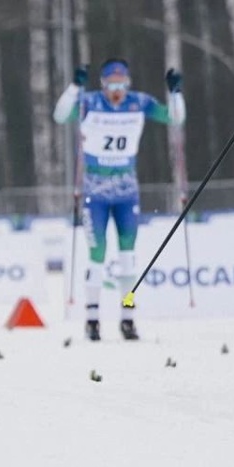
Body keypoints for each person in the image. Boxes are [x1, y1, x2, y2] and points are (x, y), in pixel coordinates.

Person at [53, 58, 186, 341]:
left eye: (122, 84)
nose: (117, 90)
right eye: (112, 84)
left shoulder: (139, 102)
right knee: (97, 255)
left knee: (127, 257)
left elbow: (175, 118)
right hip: (95, 191)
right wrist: (74, 87)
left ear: (129, 83)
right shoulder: (90, 102)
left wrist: (175, 93)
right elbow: (60, 115)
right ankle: (92, 319)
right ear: (103, 84)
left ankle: (127, 317)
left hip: (126, 192)